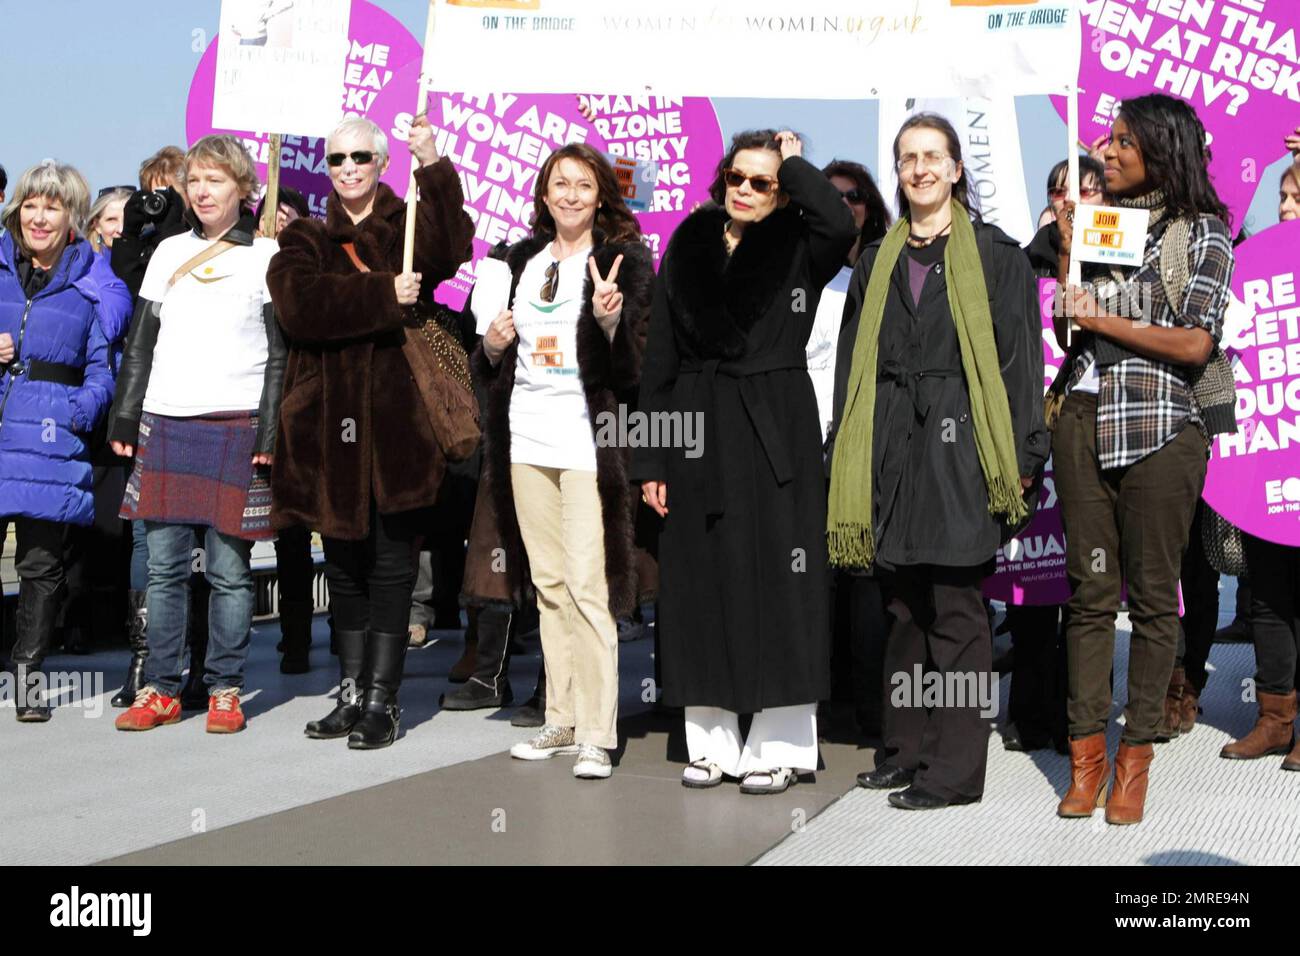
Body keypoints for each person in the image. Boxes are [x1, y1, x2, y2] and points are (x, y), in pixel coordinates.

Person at [828, 113, 1045, 809]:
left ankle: (952, 773)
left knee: (955, 610)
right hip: (891, 444)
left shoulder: (996, 255)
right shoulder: (876, 260)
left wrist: (1023, 458)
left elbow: (1018, 364)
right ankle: (906, 749)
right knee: (899, 607)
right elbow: (849, 369)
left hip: (964, 446)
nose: (919, 169)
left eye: (933, 157)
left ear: (956, 170)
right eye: (907, 158)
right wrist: (845, 450)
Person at [636, 129, 856, 794]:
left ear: (783, 189)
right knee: (700, 587)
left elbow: (839, 220)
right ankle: (711, 744)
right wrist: (652, 459)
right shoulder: (687, 243)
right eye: (738, 176)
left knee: (782, 585)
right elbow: (659, 360)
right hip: (697, 428)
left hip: (774, 427)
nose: (746, 189)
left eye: (763, 181)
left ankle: (782, 746)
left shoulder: (801, 244)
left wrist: (791, 159)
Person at [1052, 94, 1235, 824]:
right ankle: (1084, 758)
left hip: (1163, 428)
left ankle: (1136, 759)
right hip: (1081, 418)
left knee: (1156, 601)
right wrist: (1072, 259)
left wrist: (1100, 315)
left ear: (1163, 149)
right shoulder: (1105, 222)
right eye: (1109, 138)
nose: (1108, 149)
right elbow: (1074, 321)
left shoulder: (1205, 230)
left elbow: (1196, 342)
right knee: (1089, 597)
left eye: (1124, 140)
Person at [266, 115, 474, 749]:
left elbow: (451, 246)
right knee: (346, 566)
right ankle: (350, 695)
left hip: (398, 427)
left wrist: (434, 162)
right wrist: (386, 294)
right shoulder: (303, 235)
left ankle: (383, 702)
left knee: (390, 567)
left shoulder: (406, 223)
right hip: (326, 428)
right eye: (336, 159)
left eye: (360, 156)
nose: (348, 167)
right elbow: (301, 306)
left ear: (383, 161)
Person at [468, 143, 653, 779]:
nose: (570, 195)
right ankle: (561, 719)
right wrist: (491, 347)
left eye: (583, 184)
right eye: (559, 184)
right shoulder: (522, 260)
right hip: (526, 440)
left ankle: (599, 733)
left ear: (601, 195)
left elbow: (634, 367)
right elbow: (493, 360)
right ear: (544, 195)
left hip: (585, 446)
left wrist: (609, 324)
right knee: (546, 588)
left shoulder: (622, 262)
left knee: (588, 588)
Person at [108, 134, 285, 735]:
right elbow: (140, 344)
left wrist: (270, 428)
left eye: (217, 180)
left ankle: (225, 689)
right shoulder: (165, 254)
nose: (204, 190)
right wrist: (126, 417)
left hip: (237, 424)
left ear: (244, 189)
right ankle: (159, 688)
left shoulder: (266, 257)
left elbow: (281, 356)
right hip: (165, 420)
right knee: (162, 568)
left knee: (230, 571)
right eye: (196, 180)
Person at [0, 161, 131, 720]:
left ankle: (28, 677)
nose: (39, 216)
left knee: (39, 562)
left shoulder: (89, 281)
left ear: (71, 216)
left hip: (51, 438)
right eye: (31, 204)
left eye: (51, 206)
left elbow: (105, 368)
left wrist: (80, 407)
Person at [1001, 155, 1108, 756]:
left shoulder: (1122, 257)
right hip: (1035, 439)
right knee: (1033, 582)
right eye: (1064, 191)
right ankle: (1031, 712)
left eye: (1089, 190)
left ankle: (1086, 714)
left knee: (1090, 585)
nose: (1076, 200)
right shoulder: (1022, 262)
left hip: (1098, 434)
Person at [86, 188, 132, 255]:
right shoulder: (86, 263)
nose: (121, 230)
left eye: (129, 219)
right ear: (97, 225)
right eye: (112, 220)